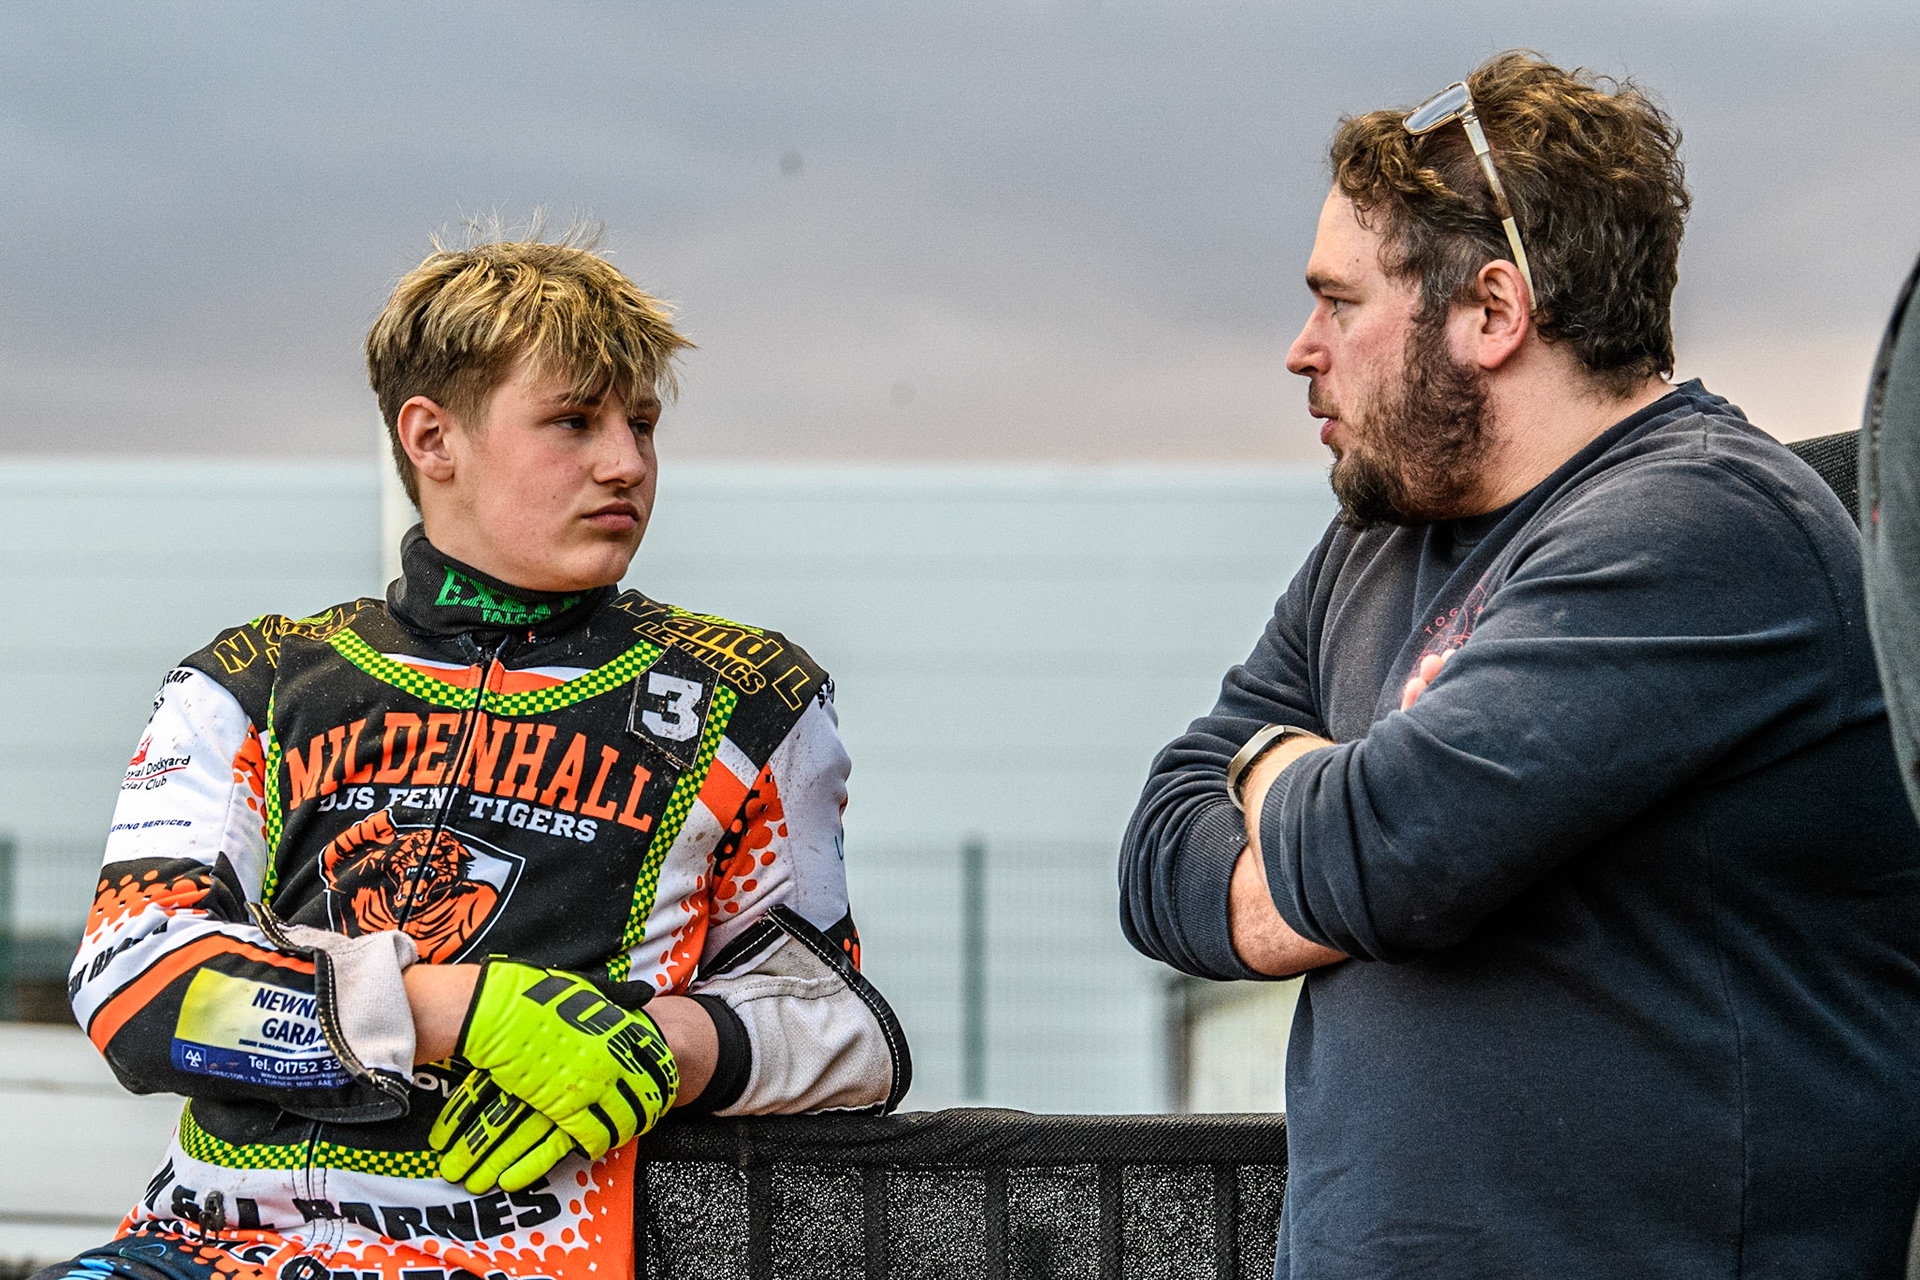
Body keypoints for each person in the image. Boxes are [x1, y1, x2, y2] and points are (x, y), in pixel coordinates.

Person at [1118, 51, 1920, 1277]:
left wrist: (1275, 764)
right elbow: (1157, 853)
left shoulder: (1708, 527)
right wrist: (1328, 851)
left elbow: (1377, 852)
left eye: (1339, 302)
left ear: (1492, 310)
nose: (1300, 348)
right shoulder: (1378, 539)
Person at [43, 233, 909, 1280]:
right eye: (575, 421)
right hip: (201, 1249)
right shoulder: (252, 683)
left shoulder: (748, 697)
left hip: (522, 1257)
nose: (627, 463)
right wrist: (465, 1011)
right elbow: (135, 985)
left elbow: (844, 1031)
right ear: (432, 438)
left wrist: (665, 1045)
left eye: (641, 424)